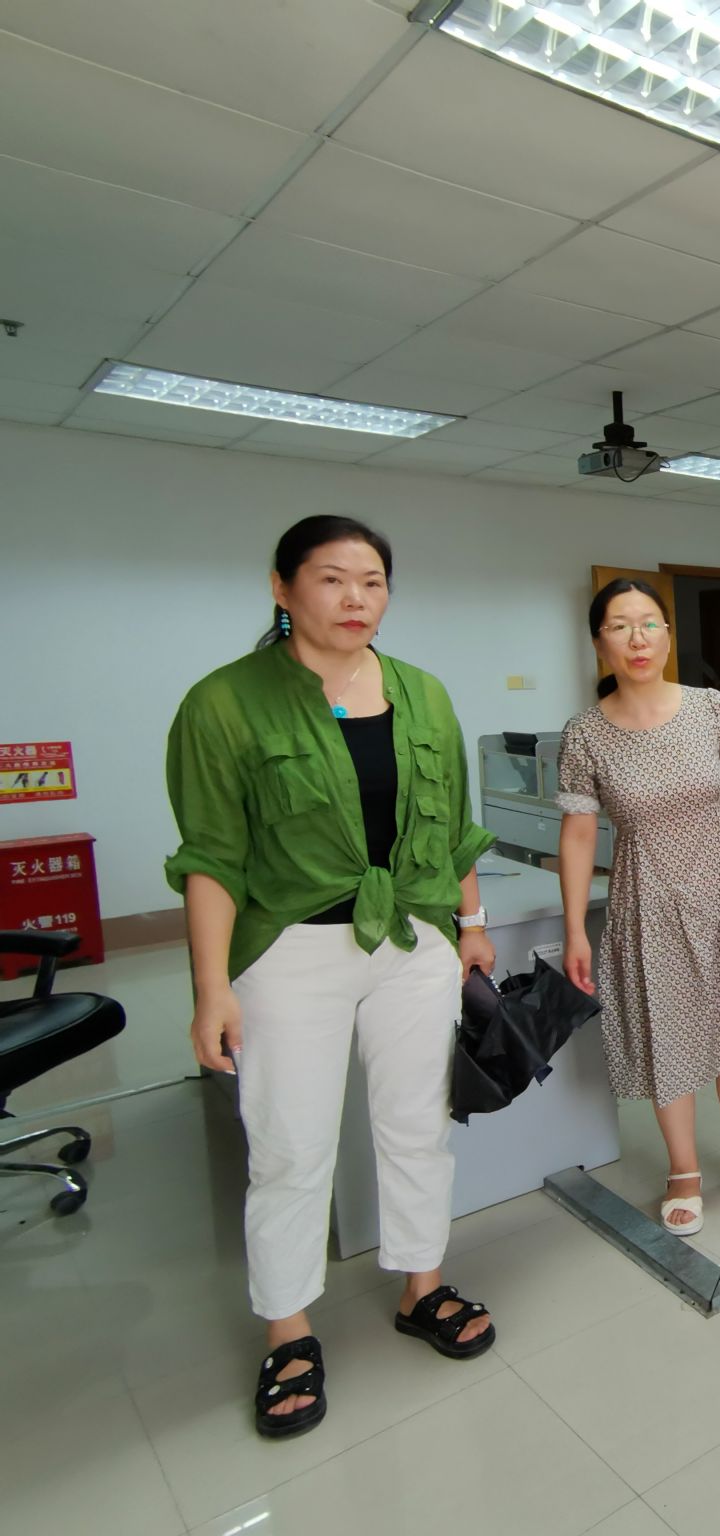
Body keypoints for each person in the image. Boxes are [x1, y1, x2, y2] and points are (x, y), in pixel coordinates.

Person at [167, 515, 500, 1442]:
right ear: (282, 588)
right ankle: (288, 1330)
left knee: (418, 1125)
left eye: (373, 581)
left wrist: (470, 927)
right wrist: (211, 986)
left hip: (412, 939)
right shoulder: (224, 703)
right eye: (331, 578)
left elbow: (455, 826)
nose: (356, 598)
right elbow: (210, 856)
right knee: (289, 1144)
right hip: (289, 950)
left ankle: (422, 1287)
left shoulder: (422, 692)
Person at [556, 579, 720, 1238]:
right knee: (668, 1029)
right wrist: (574, 927)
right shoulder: (585, 734)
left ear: (667, 634)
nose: (637, 638)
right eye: (620, 626)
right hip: (647, 898)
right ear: (599, 642)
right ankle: (683, 1169)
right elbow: (578, 836)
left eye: (649, 623)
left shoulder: (709, 706)